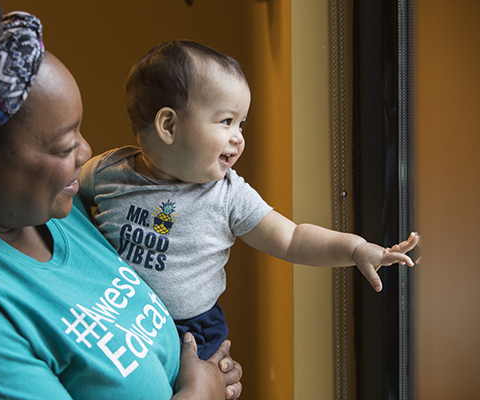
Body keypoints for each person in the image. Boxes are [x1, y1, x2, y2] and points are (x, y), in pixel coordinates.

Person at [0, 2, 243, 399]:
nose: (87, 152)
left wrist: (201, 365)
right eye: (64, 145)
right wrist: (198, 393)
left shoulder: (32, 203)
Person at [78, 40, 419, 359]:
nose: (238, 138)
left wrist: (354, 248)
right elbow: (65, 192)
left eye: (241, 124)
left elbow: (292, 238)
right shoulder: (108, 171)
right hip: (115, 317)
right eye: (226, 121)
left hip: (190, 334)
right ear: (168, 125)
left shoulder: (229, 195)